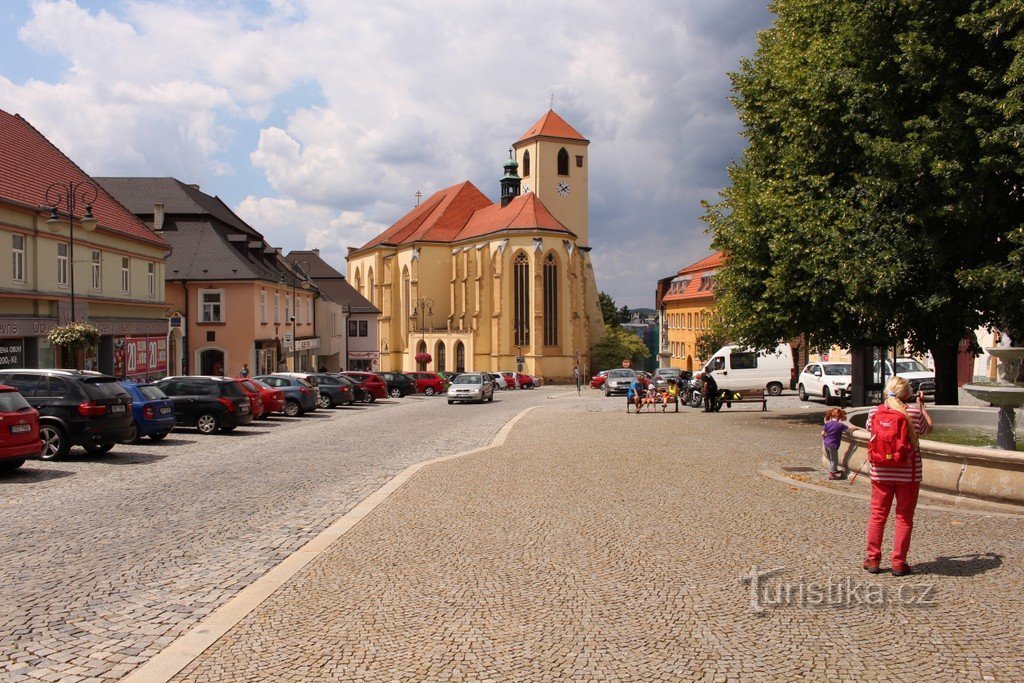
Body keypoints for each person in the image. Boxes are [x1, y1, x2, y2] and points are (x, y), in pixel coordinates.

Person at [863, 376, 933, 577]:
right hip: (908, 473)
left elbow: (871, 431)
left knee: (878, 515)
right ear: (908, 394)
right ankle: (898, 563)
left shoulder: (874, 412)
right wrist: (922, 406)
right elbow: (929, 428)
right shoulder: (912, 413)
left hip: (880, 471)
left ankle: (873, 560)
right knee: (904, 518)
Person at [821, 408, 848, 480]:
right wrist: (855, 429)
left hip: (826, 443)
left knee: (831, 458)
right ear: (839, 417)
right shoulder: (840, 425)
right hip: (833, 445)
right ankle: (832, 474)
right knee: (834, 459)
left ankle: (834, 470)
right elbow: (849, 429)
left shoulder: (827, 423)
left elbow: (822, 433)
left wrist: (824, 439)